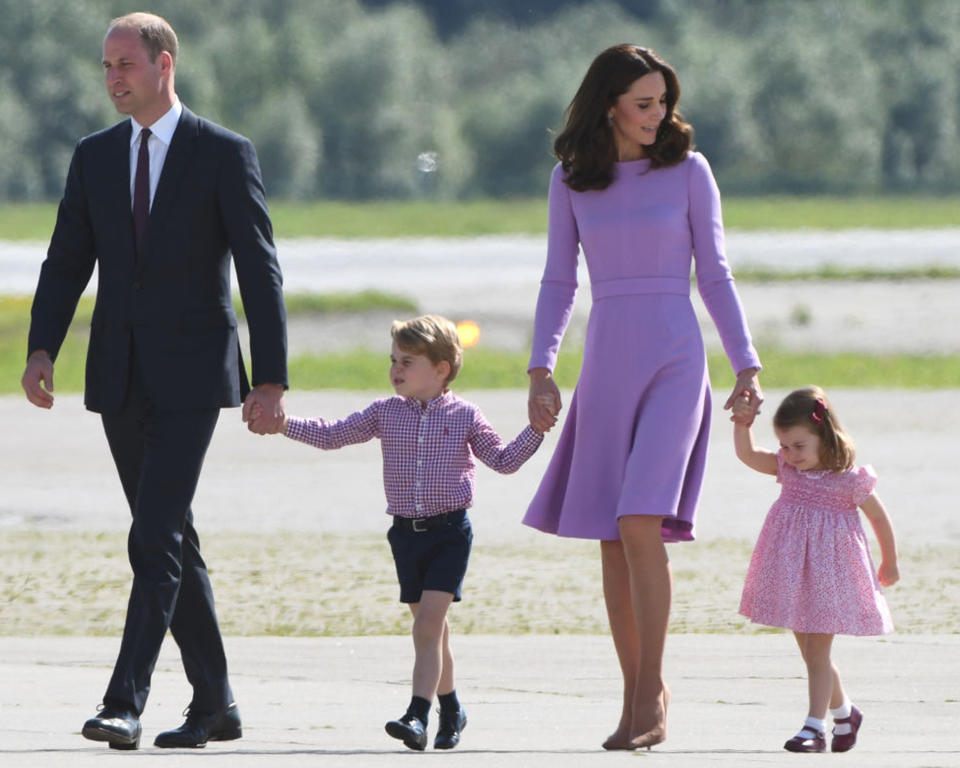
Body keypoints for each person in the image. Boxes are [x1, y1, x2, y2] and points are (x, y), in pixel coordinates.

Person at [21, 13, 287, 750]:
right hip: (118, 373)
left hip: (196, 373)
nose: (113, 78)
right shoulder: (95, 155)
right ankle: (217, 704)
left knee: (154, 534)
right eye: (105, 66)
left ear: (164, 64)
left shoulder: (224, 154)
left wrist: (271, 378)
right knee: (171, 540)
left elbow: (261, 270)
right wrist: (43, 347)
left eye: (125, 64)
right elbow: (65, 259)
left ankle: (124, 701)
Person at [524, 44, 763, 751]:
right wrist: (542, 368)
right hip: (606, 361)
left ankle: (652, 692)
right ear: (610, 106)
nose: (659, 115)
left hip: (675, 359)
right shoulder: (570, 181)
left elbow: (715, 274)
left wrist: (746, 364)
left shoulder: (689, 171)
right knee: (610, 537)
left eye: (663, 101)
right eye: (644, 103)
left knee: (638, 523)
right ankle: (633, 696)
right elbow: (557, 281)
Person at [253, 315, 544, 751]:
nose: (395, 369)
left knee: (428, 627)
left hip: (449, 533)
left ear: (442, 369)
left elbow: (503, 461)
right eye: (393, 360)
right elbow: (333, 435)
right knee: (433, 632)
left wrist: (537, 429)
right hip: (406, 535)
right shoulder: (384, 413)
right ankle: (452, 709)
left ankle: (417, 715)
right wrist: (284, 424)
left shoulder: (466, 415)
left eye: (407, 361)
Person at [733, 386, 898, 753]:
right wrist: (742, 422)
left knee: (818, 653)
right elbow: (746, 454)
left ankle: (813, 727)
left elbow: (878, 517)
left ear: (823, 435)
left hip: (829, 578)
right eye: (785, 447)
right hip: (794, 574)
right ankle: (845, 713)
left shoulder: (849, 479)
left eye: (798, 446)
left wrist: (890, 560)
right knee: (811, 652)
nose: (790, 455)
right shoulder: (786, 469)